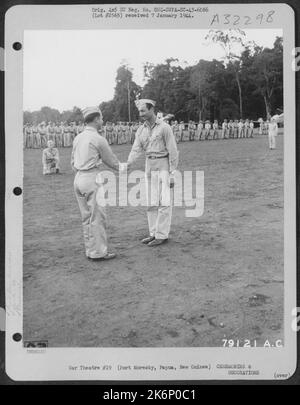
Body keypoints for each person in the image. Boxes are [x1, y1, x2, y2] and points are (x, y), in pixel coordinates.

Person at [71, 106, 123, 261]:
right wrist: (124, 167)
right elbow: (111, 160)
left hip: (78, 178)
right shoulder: (98, 138)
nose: (102, 121)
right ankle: (99, 252)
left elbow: (72, 162)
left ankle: (91, 250)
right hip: (91, 177)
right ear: (95, 119)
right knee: (98, 217)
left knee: (86, 217)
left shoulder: (78, 137)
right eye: (101, 118)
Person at [127, 99, 179, 246]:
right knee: (151, 201)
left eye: (143, 110)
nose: (140, 114)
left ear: (151, 110)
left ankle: (162, 235)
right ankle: (153, 233)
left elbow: (173, 150)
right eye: (139, 111)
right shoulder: (141, 130)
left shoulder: (164, 128)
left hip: (163, 163)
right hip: (149, 165)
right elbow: (136, 149)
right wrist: (128, 163)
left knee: (164, 202)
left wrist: (172, 173)